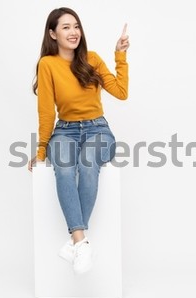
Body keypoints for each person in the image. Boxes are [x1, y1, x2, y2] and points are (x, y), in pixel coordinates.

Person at [28, 7, 129, 274]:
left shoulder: (92, 59)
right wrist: (40, 152)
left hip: (99, 130)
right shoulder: (48, 65)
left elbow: (121, 92)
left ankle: (75, 241)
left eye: (76, 26)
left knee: (87, 164)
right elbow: (47, 111)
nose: (73, 32)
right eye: (65, 27)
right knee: (63, 168)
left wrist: (120, 55)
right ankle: (80, 242)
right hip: (65, 131)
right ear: (52, 33)